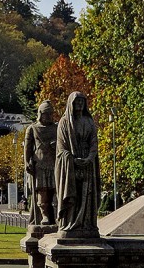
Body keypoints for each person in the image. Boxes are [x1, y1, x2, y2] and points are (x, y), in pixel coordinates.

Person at [55, 91, 100, 237]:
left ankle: (86, 224)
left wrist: (89, 157)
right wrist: (72, 159)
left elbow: (94, 142)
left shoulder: (89, 121)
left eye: (82, 101)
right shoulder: (64, 122)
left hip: (87, 163)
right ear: (71, 103)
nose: (79, 104)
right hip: (71, 164)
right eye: (77, 101)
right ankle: (70, 223)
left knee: (86, 193)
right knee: (74, 193)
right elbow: (61, 147)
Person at [24, 100, 58, 226]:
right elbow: (27, 148)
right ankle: (45, 216)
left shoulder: (56, 128)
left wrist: (57, 145)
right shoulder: (32, 128)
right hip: (40, 164)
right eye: (46, 113)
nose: (48, 116)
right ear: (40, 114)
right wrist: (27, 162)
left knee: (55, 191)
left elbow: (64, 144)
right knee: (42, 191)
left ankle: (56, 216)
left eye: (50, 114)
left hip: (54, 163)